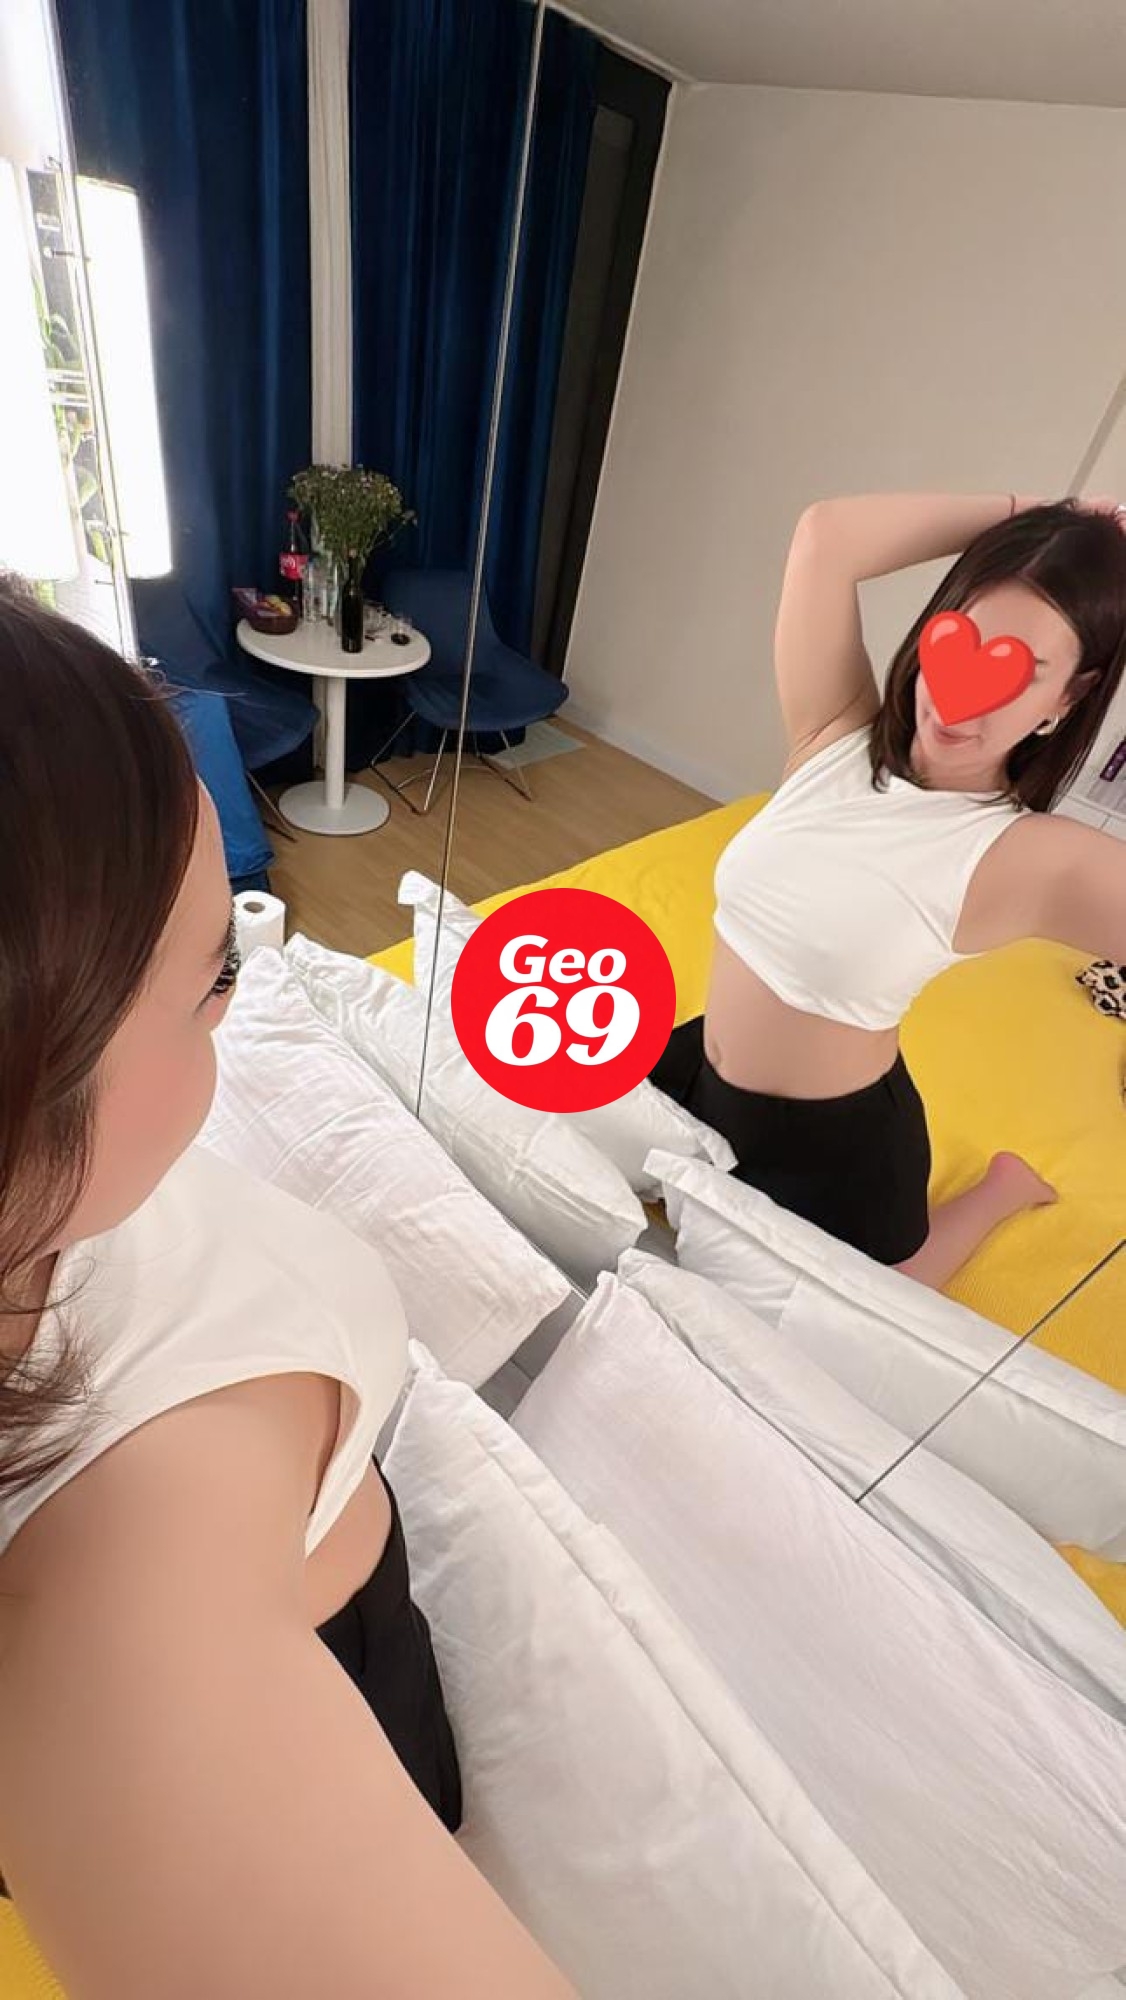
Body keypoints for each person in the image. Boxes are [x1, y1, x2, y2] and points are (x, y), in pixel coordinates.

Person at [0, 579, 575, 1999]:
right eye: (210, 982)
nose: (237, 1004)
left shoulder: (69, 1202)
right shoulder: (139, 1558)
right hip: (341, 1646)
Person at [652, 493, 1126, 1283]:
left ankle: (1001, 1191)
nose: (965, 691)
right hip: (700, 1067)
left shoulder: (1026, 858)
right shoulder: (832, 733)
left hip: (829, 1148)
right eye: (961, 636)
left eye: (1022, 670)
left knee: (889, 1292)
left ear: (1067, 700)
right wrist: (1033, 514)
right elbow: (825, 537)